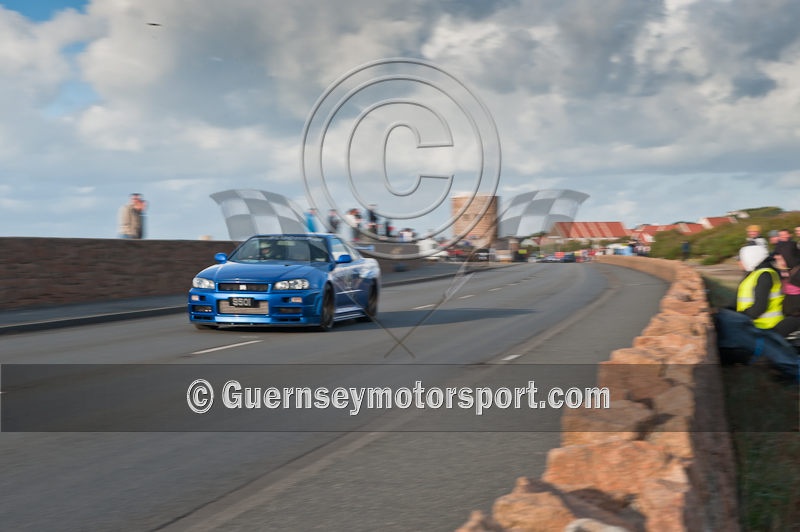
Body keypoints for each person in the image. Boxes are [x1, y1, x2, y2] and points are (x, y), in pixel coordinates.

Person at [736, 246, 800, 337]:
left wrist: (739, 317)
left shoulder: (764, 275)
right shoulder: (755, 274)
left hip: (767, 327)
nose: (739, 262)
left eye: (742, 259)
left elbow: (759, 308)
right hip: (758, 325)